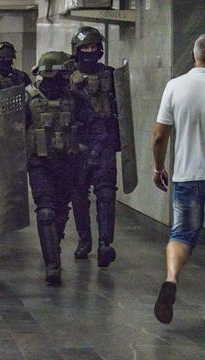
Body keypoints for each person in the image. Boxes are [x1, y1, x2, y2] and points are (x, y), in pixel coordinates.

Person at [153, 34, 205, 324]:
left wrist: (158, 167)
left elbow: (160, 135)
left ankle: (171, 279)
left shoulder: (175, 86)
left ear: (193, 56)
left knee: (181, 235)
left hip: (188, 177)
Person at [26, 51, 78, 285]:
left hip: (68, 161)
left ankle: (53, 247)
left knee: (59, 210)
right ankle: (52, 266)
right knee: (45, 210)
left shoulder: (75, 97)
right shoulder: (28, 98)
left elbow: (89, 124)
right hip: (40, 162)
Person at [69, 26, 119, 268]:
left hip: (105, 140)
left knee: (106, 193)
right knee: (79, 195)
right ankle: (84, 240)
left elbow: (120, 111)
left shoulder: (111, 75)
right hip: (78, 144)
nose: (90, 52)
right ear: (77, 51)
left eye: (93, 47)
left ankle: (105, 244)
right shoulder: (68, 76)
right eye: (85, 48)